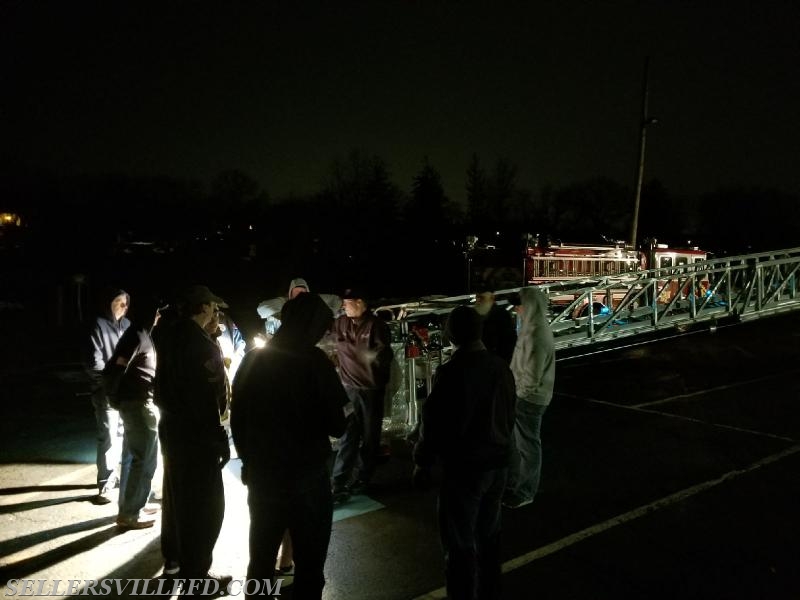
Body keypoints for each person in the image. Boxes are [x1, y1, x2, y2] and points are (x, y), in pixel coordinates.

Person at [232, 293, 348, 598]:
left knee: (261, 557)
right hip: (306, 478)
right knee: (309, 563)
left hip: (263, 476)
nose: (323, 333)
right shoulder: (315, 362)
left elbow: (237, 418)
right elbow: (339, 423)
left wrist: (248, 462)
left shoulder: (254, 358)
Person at [412, 306, 516, 600]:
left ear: (451, 334)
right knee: (489, 538)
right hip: (497, 464)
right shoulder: (499, 367)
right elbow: (510, 414)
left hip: (466, 468)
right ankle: (490, 591)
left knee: (459, 544)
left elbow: (434, 424)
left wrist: (422, 462)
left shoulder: (452, 371)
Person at [153, 285, 231, 585]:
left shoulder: (168, 335)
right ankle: (197, 574)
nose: (216, 313)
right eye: (213, 307)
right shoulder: (200, 345)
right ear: (202, 308)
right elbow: (206, 399)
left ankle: (173, 561)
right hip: (197, 436)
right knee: (205, 506)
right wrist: (218, 437)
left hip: (172, 430)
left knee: (176, 498)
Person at [330, 287, 393, 501]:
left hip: (370, 391)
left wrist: (372, 357)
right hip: (349, 389)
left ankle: (362, 479)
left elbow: (385, 355)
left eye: (347, 302)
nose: (344, 306)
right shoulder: (340, 323)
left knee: (369, 438)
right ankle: (338, 483)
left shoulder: (376, 325)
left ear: (360, 302)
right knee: (348, 437)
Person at [103, 302, 161, 529]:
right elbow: (115, 369)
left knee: (134, 457)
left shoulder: (142, 334)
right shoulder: (136, 335)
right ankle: (130, 514)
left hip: (138, 404)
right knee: (143, 458)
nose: (158, 316)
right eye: (156, 311)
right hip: (138, 405)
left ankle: (134, 505)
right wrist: (114, 398)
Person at [503, 287, 556, 509]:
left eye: (520, 305)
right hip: (523, 396)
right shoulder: (531, 328)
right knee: (519, 445)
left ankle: (526, 491)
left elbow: (531, 377)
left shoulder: (536, 334)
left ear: (530, 305)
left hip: (530, 400)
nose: (517, 309)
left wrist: (517, 396)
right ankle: (517, 485)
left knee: (528, 446)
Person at [86, 288, 131, 505]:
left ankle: (115, 476)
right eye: (118, 301)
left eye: (125, 303)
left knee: (122, 434)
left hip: (125, 391)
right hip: (106, 391)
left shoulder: (129, 326)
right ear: (109, 303)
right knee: (108, 436)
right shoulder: (99, 325)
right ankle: (104, 484)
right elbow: (95, 361)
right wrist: (105, 383)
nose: (123, 306)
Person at [474, 289, 517, 363]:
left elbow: (508, 344)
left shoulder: (502, 315)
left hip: (496, 362)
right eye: (477, 297)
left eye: (481, 297)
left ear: (492, 298)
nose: (478, 300)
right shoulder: (478, 314)